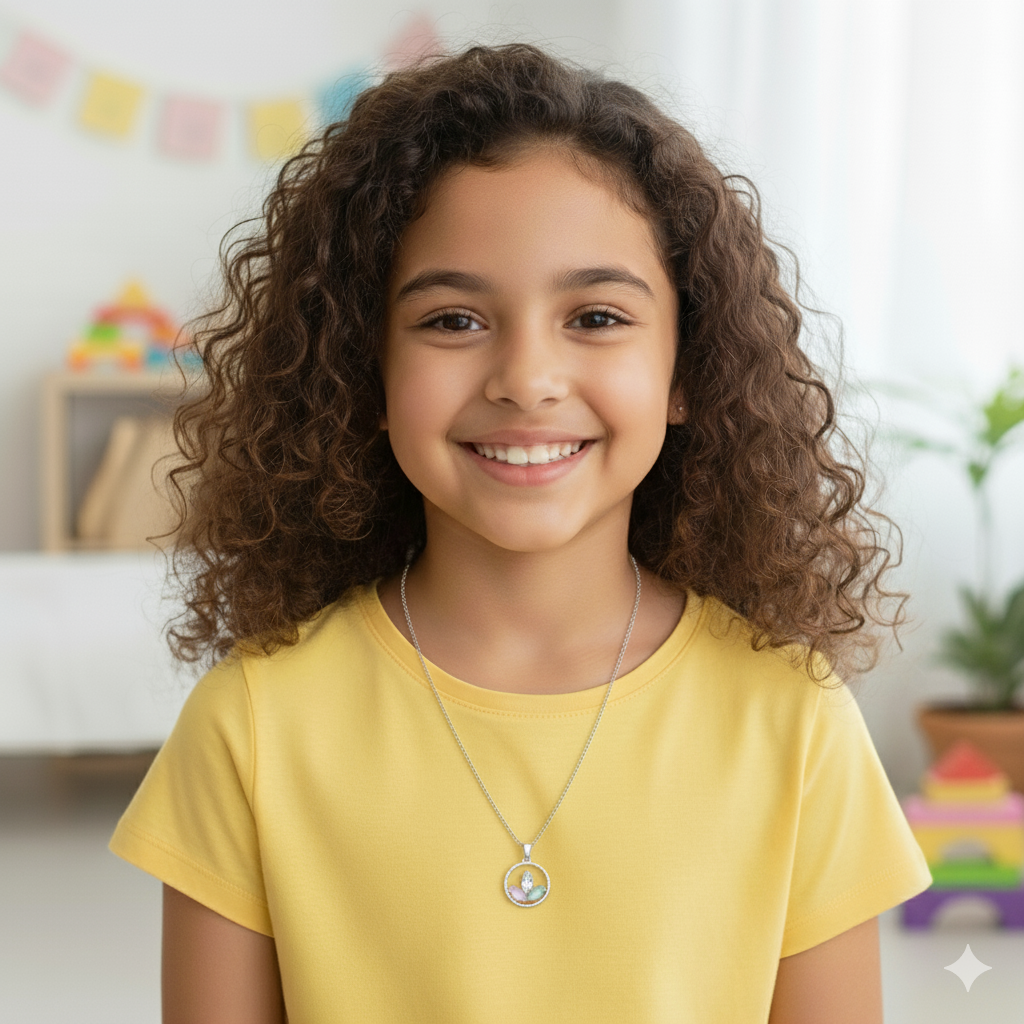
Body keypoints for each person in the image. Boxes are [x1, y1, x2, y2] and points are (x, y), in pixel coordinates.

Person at [109, 41, 932, 1023]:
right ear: (366, 370)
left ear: (687, 370)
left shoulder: (792, 721)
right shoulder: (251, 725)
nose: (526, 380)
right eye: (454, 321)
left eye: (596, 316)